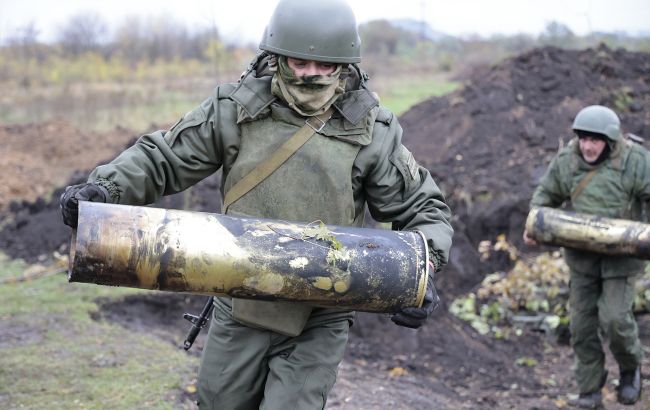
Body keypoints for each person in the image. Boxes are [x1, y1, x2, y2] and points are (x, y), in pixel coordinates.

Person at [59, 0, 454, 408]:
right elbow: (164, 158)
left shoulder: (372, 129)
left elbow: (423, 208)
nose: (313, 75)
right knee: (218, 402)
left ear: (346, 66)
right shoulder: (235, 111)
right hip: (239, 298)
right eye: (301, 63)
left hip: (322, 310)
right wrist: (104, 189)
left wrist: (421, 275)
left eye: (327, 66)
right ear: (277, 57)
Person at [524, 105, 649, 408]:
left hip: (622, 258)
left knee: (616, 320)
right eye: (583, 139)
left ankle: (631, 370)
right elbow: (545, 197)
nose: (588, 146)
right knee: (581, 326)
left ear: (610, 140)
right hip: (582, 259)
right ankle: (590, 390)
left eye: (595, 140)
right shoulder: (567, 161)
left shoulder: (635, 160)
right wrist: (535, 225)